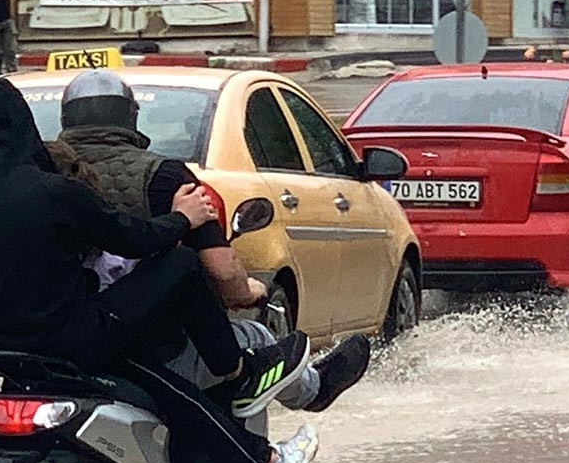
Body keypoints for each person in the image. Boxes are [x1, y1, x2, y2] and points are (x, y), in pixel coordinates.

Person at [0, 78, 319, 463]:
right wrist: (184, 218)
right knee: (180, 267)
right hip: (71, 341)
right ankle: (239, 372)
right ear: (23, 125)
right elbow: (132, 239)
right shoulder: (57, 194)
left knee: (162, 387)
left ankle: (268, 456)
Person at [54, 70, 372, 413]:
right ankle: (313, 392)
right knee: (257, 338)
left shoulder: (41, 177)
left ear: (66, 119)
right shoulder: (167, 179)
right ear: (130, 118)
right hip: (154, 351)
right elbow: (221, 271)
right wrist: (247, 291)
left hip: (54, 351)